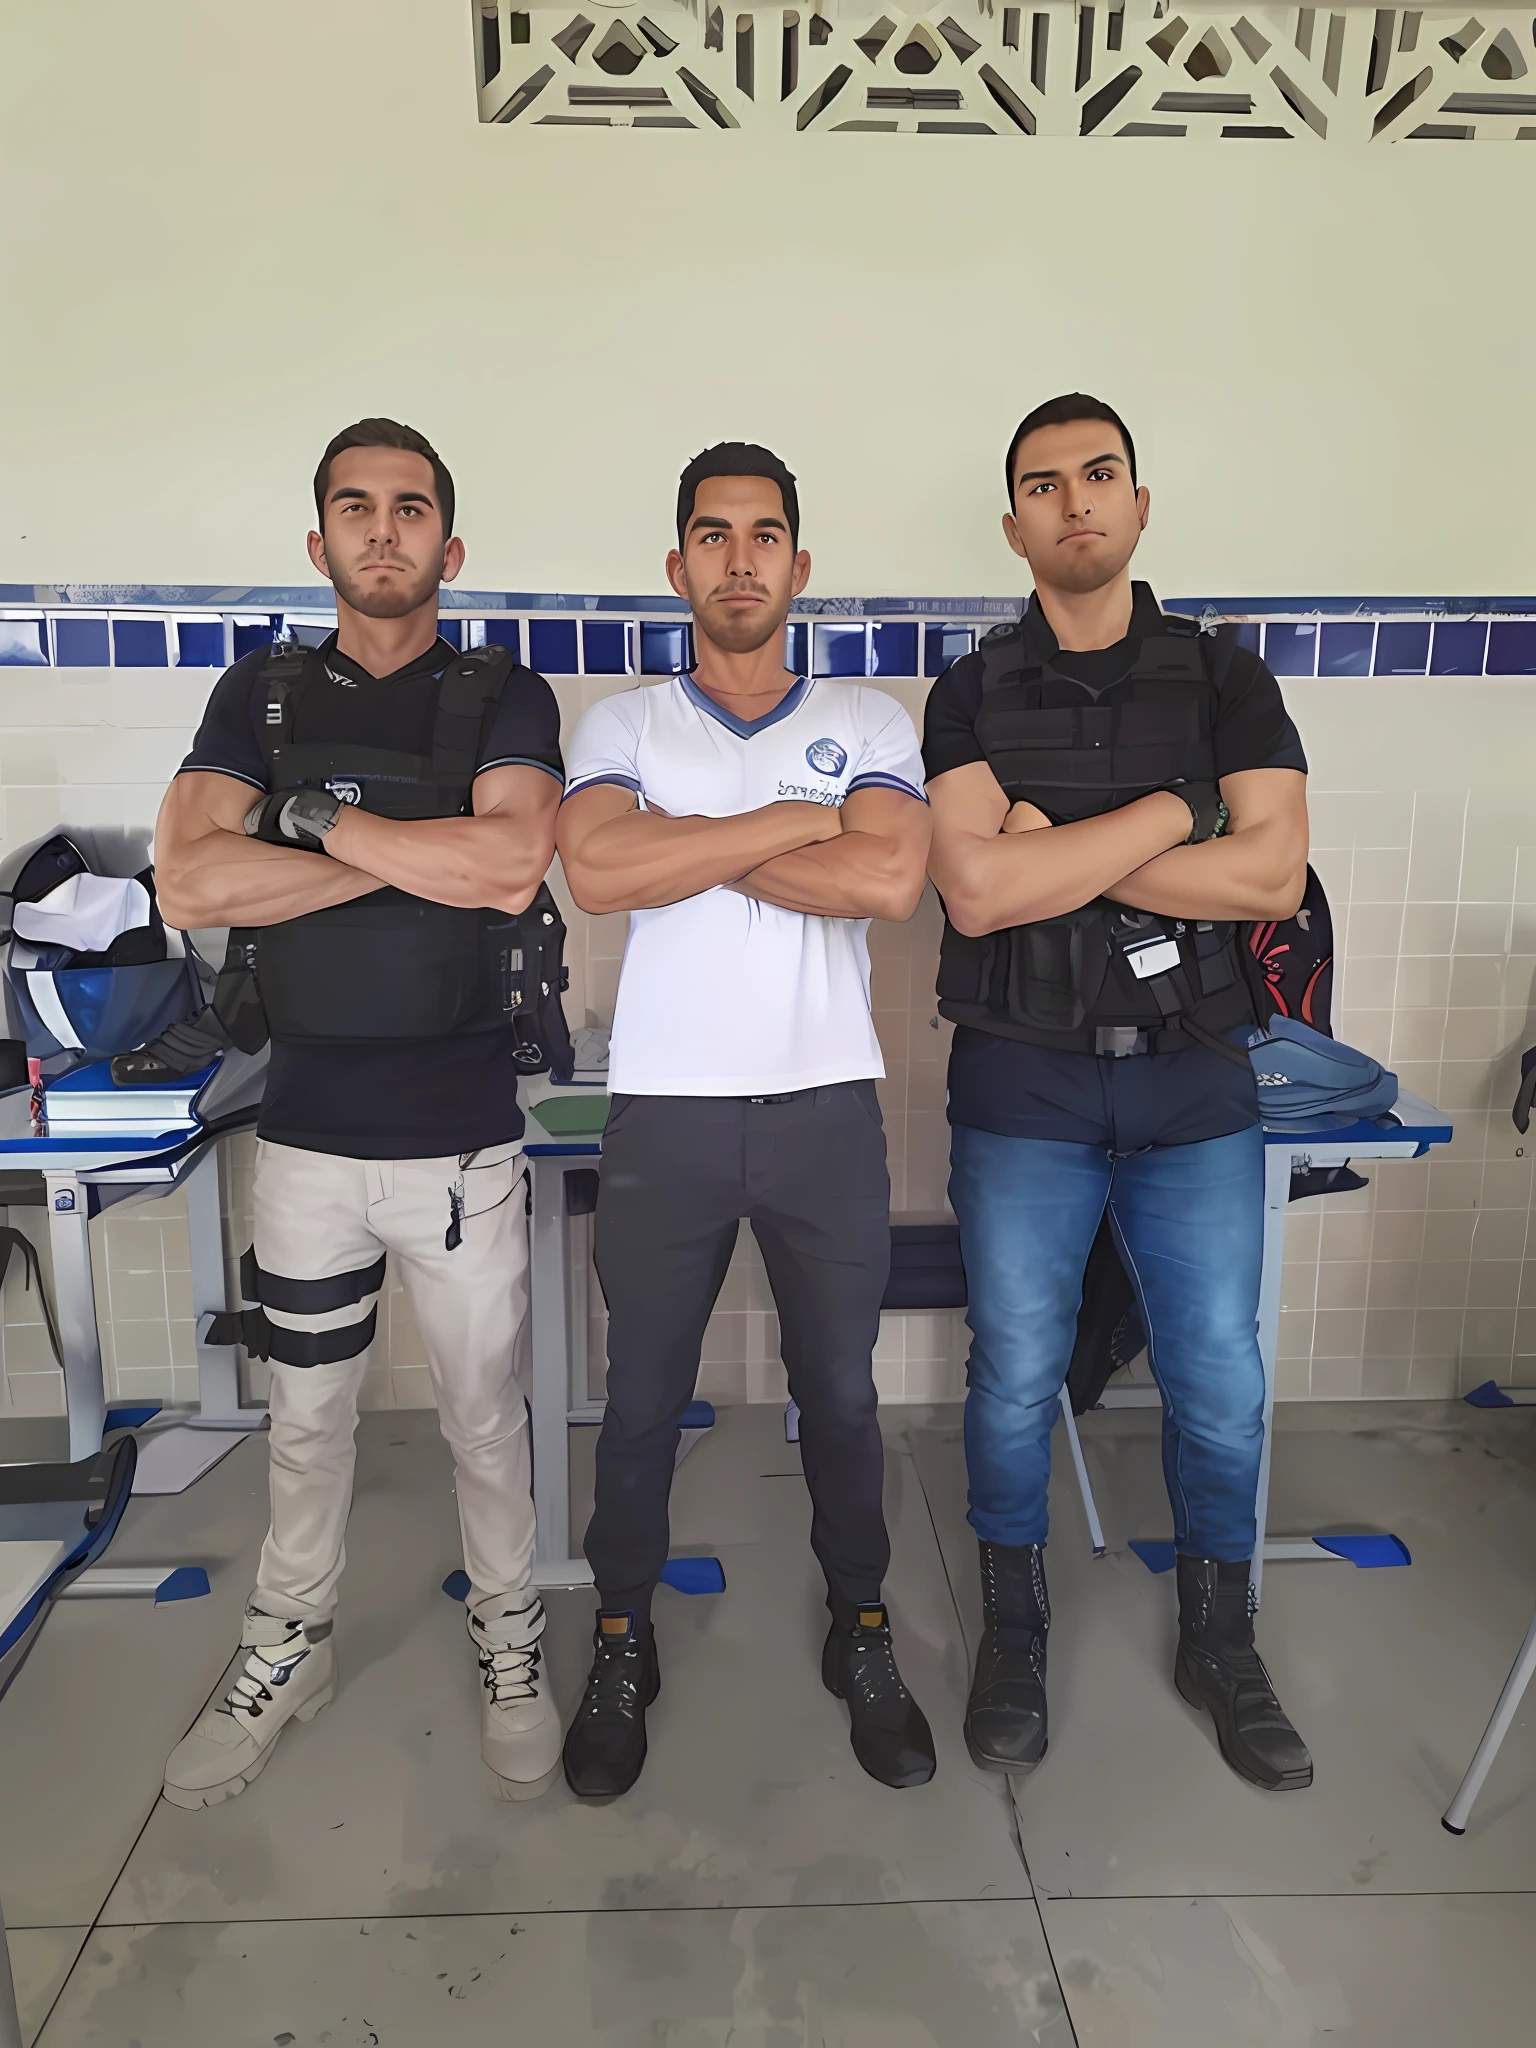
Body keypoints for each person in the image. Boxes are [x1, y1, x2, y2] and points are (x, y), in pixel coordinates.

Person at [154, 419, 566, 1806]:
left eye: (409, 510)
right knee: (308, 1421)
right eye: (355, 507)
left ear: (450, 547)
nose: (382, 531)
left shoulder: (503, 694)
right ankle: (291, 1643)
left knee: (481, 1419)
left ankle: (511, 1640)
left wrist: (312, 826)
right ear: (318, 539)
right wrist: (408, 860)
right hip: (309, 1143)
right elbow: (193, 886)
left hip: (463, 1143)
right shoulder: (255, 699)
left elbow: (511, 866)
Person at [923, 394, 1314, 1792]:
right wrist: (1172, 813)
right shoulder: (969, 690)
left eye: (1100, 476)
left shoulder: (1226, 680)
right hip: (1022, 1087)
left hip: (1194, 1087)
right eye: (1044, 483)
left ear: (1139, 506)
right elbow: (975, 890)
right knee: (1015, 1372)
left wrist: (1061, 847)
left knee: (1220, 1380)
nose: (1074, 500)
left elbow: (1269, 877)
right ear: (1014, 523)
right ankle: (1013, 1630)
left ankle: (1224, 1633)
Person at [554, 443, 936, 1798]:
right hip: (665, 1113)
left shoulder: (875, 720)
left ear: (798, 565)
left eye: (763, 534)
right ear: (678, 566)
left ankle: (864, 1625)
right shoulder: (619, 724)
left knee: (837, 1394)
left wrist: (701, 837)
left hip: (823, 1109)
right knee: (645, 1400)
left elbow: (890, 881)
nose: (738, 558)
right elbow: (598, 870)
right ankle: (620, 1637)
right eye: (711, 536)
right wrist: (791, 821)